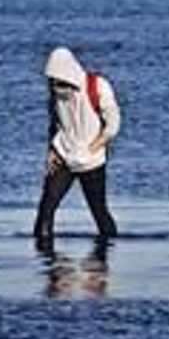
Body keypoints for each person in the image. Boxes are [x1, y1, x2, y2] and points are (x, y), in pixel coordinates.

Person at [34, 47, 121, 242]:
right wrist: (52, 151)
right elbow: (54, 123)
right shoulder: (55, 91)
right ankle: (46, 261)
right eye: (51, 79)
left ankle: (107, 253)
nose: (54, 84)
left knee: (99, 211)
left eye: (58, 79)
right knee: (46, 209)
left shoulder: (98, 86)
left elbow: (113, 123)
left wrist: (95, 147)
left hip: (92, 160)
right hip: (63, 156)